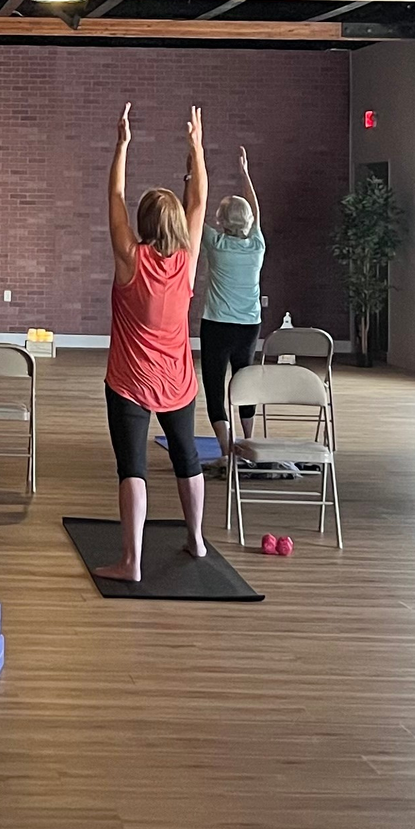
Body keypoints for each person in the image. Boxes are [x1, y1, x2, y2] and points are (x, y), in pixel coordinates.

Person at [96, 103, 209, 582]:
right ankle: (197, 540)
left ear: (143, 224)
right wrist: (196, 148)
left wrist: (122, 144)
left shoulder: (130, 258)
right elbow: (200, 201)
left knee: (133, 468)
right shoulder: (186, 259)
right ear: (178, 227)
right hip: (178, 382)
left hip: (129, 382)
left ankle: (131, 561)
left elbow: (116, 194)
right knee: (187, 457)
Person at [196, 145, 266, 466]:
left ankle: (226, 452)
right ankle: (249, 446)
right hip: (249, 327)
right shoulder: (257, 245)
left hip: (217, 325)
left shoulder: (215, 243)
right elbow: (255, 209)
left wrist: (194, 169)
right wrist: (245, 174)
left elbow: (193, 209)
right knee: (245, 381)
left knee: (214, 385)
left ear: (221, 220)